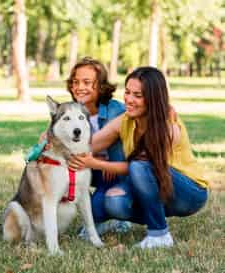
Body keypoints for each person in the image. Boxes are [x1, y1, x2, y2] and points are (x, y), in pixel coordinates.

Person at [69, 66, 208, 249]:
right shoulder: (126, 120)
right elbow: (91, 144)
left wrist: (95, 163)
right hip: (155, 187)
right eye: (127, 92)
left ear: (152, 99)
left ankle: (159, 234)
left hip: (188, 192)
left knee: (139, 166)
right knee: (112, 201)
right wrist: (53, 145)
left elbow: (141, 166)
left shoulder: (168, 128)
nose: (129, 100)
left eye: (138, 95)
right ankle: (119, 221)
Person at [47, 57, 132, 236]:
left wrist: (103, 160)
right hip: (89, 167)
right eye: (75, 82)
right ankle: (102, 216)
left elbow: (125, 141)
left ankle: (118, 218)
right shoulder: (71, 110)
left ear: (100, 86)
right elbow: (50, 140)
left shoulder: (115, 110)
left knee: (99, 209)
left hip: (113, 172)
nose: (79, 87)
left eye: (87, 82)